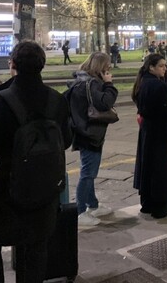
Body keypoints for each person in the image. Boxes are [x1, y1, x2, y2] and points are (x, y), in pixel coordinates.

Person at [0, 41, 71, 282]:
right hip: (44, 190)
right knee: (36, 248)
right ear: (42, 65)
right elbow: (66, 141)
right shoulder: (57, 100)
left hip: (4, 191)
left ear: (12, 64)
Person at [67, 52, 119, 227]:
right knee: (88, 174)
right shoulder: (92, 83)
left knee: (89, 171)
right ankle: (80, 211)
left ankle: (93, 205)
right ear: (100, 67)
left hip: (82, 130)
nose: (109, 68)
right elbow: (105, 103)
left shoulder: (80, 81)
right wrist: (109, 84)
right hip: (90, 133)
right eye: (107, 66)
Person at [132, 54, 167, 218]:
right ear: (151, 67)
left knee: (148, 166)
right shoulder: (159, 86)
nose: (165, 69)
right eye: (161, 66)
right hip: (162, 133)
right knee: (163, 169)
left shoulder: (142, 83)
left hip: (147, 131)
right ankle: (161, 207)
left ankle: (147, 204)